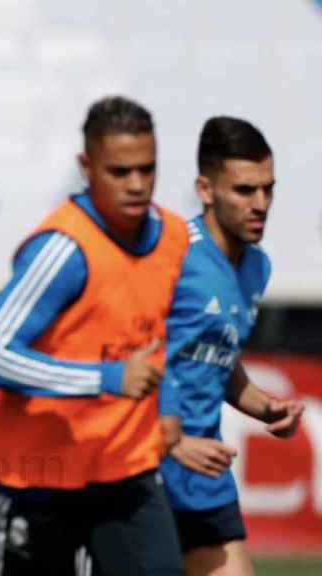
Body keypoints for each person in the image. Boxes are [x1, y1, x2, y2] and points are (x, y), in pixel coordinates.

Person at [0, 95, 187, 575]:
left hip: (126, 475)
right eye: (119, 171)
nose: (137, 184)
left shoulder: (173, 236)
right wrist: (105, 378)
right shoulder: (64, 249)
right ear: (86, 166)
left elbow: (159, 334)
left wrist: (167, 407)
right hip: (39, 479)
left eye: (147, 170)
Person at [158, 116, 304, 576]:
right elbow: (123, 351)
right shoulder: (171, 254)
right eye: (244, 190)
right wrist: (170, 439)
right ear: (205, 189)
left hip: (204, 475)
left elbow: (218, 356)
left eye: (268, 189)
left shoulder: (257, 267)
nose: (260, 204)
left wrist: (263, 406)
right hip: (145, 470)